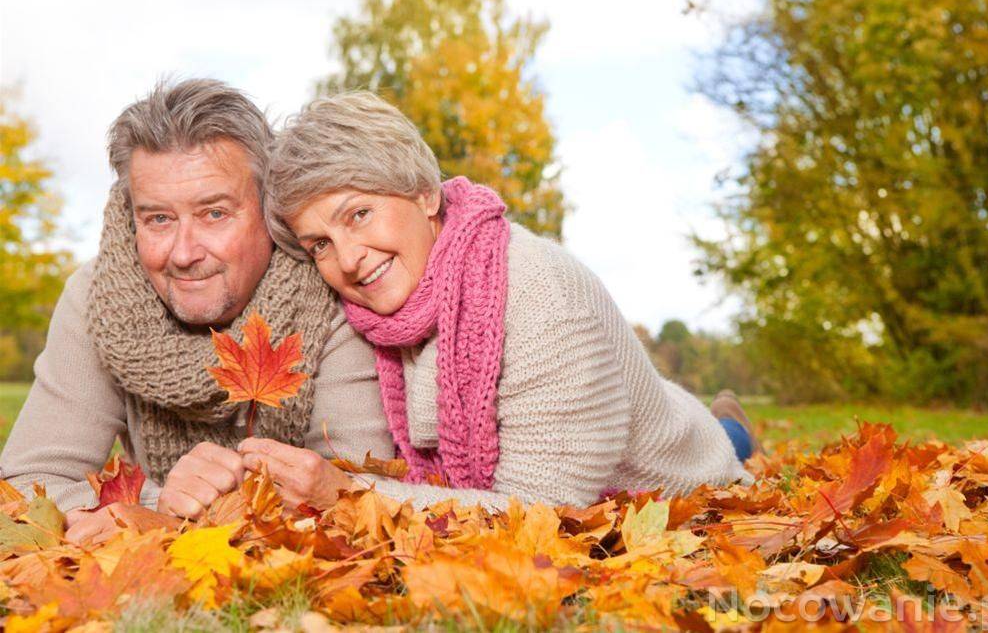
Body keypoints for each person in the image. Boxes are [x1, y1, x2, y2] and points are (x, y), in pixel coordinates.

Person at [241, 91, 758, 510]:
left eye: (359, 214)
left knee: (721, 444)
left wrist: (351, 497)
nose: (349, 258)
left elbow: (542, 510)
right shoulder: (377, 313)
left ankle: (731, 428)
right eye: (320, 245)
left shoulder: (537, 291)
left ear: (424, 194)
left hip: (665, 467)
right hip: (617, 424)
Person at [0, 80, 393, 542]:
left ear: (270, 213)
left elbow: (360, 494)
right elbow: (26, 486)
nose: (184, 253)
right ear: (133, 220)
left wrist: (226, 508)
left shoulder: (329, 284)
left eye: (214, 214)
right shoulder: (100, 299)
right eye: (159, 219)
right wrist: (153, 503)